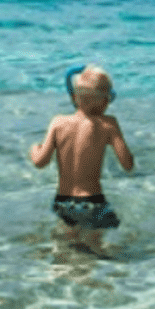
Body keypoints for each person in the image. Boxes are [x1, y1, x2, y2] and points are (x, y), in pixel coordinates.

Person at [30, 65, 135, 251]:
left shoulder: (58, 122)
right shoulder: (108, 124)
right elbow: (127, 165)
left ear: (75, 97)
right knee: (96, 248)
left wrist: (34, 149)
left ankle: (64, 275)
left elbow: (40, 162)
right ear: (103, 101)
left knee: (68, 247)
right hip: (93, 201)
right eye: (109, 99)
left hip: (63, 201)